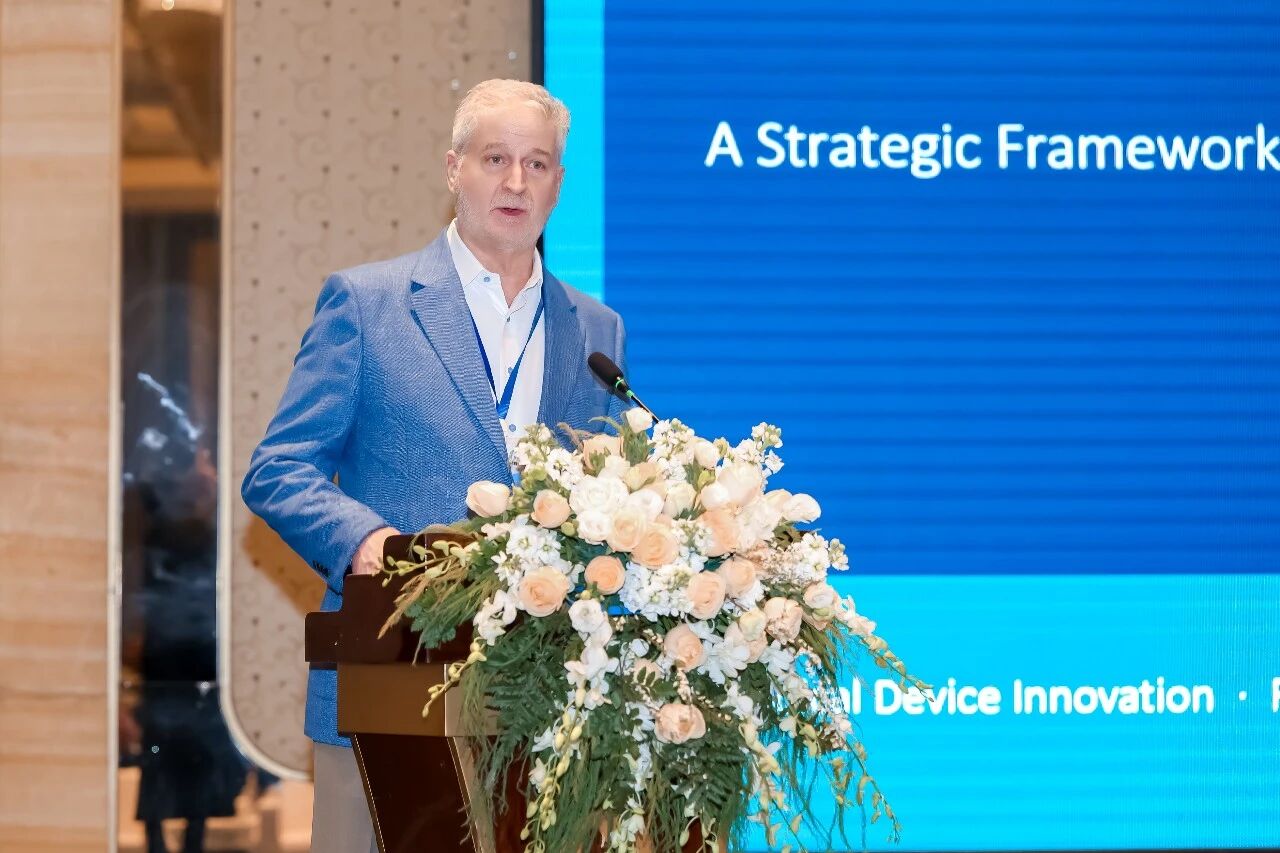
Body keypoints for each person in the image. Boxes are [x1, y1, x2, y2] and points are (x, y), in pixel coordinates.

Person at [240, 79, 629, 853]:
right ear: (453, 169)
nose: (515, 182)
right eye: (494, 159)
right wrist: (370, 544)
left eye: (536, 163)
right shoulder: (367, 303)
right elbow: (278, 467)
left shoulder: (597, 329)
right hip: (387, 698)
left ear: (558, 184)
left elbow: (611, 497)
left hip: (550, 712)